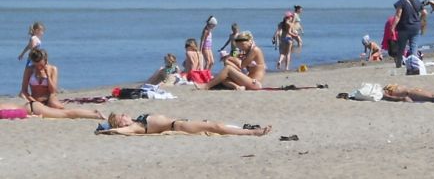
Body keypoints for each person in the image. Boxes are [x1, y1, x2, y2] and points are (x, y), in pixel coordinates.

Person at [196, 31, 266, 90]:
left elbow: (242, 65)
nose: (241, 48)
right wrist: (227, 59)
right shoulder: (247, 51)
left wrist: (230, 59)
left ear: (249, 41)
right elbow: (236, 57)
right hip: (248, 80)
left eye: (242, 46)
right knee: (223, 77)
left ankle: (206, 86)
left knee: (228, 68)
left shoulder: (255, 50)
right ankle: (237, 87)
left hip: (254, 83)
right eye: (239, 47)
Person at [99, 112, 271, 136]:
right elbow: (120, 132)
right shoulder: (133, 127)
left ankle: (247, 131)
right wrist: (105, 130)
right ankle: (254, 133)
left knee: (215, 124)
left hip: (180, 122)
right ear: (120, 124)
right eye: (122, 116)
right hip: (178, 126)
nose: (125, 115)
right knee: (215, 127)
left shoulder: (136, 120)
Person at [391, 0, 427, 68]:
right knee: (414, 47)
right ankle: (413, 64)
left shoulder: (402, 2)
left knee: (401, 47)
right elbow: (424, 13)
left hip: (403, 28)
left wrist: (392, 27)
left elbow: (398, 15)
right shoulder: (418, 2)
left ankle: (399, 65)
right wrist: (419, 20)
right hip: (415, 27)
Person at [0, 100, 104, 120]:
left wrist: (31, 116)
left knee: (67, 114)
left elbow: (18, 113)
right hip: (31, 106)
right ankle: (93, 114)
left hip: (33, 109)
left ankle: (95, 115)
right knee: (66, 113)